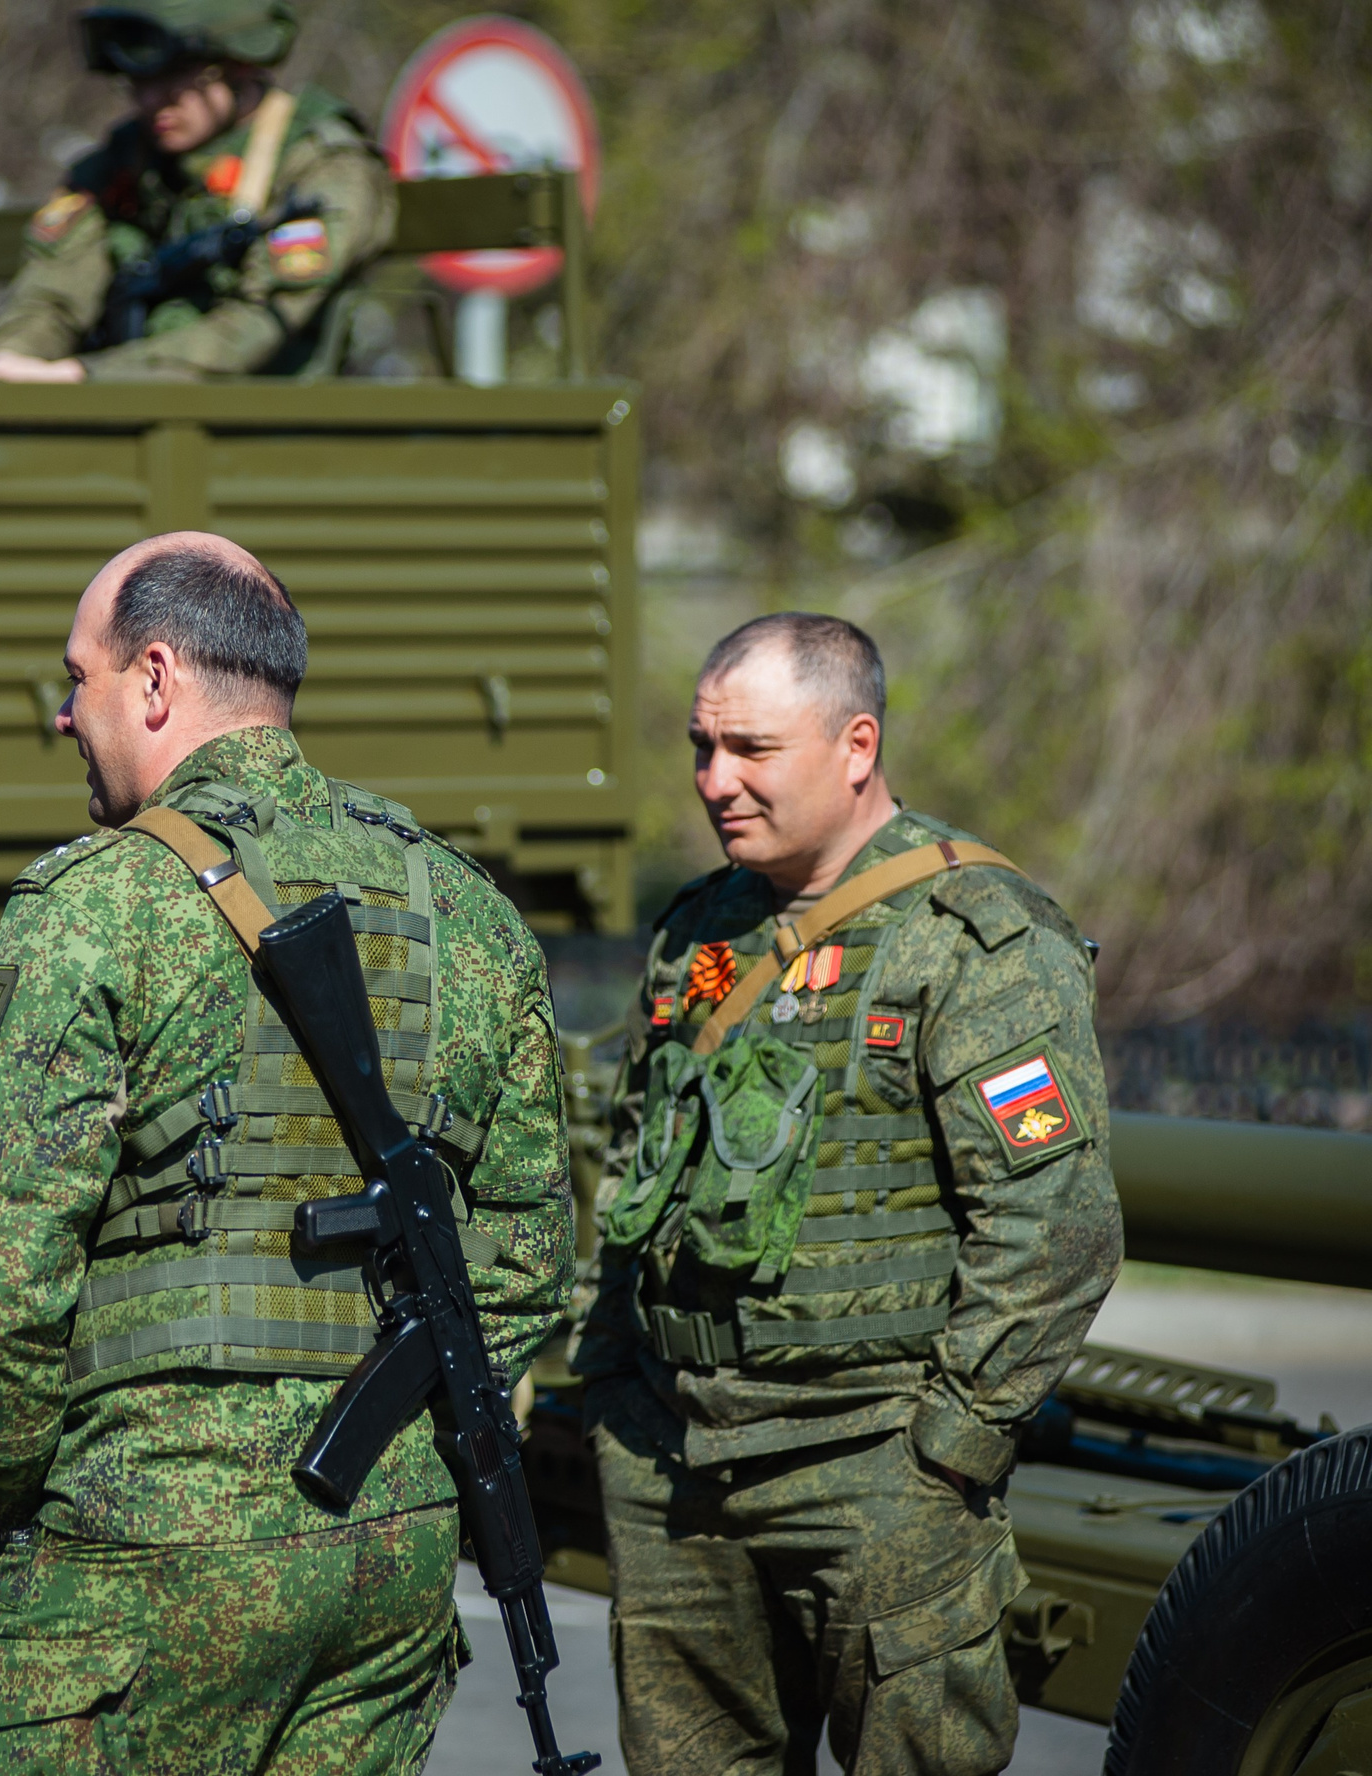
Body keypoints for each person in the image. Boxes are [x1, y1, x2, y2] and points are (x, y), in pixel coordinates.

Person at [0, 532, 575, 1771]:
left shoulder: (95, 904)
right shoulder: (468, 906)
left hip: (144, 1545)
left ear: (155, 679)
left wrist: (16, 1493)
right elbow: (529, 1251)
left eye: (79, 677)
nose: (64, 715)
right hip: (387, 1549)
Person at [573, 613, 1120, 1775]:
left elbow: (1054, 1225)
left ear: (856, 745)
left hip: (873, 1469)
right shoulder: (698, 930)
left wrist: (943, 1456)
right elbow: (639, 1166)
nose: (715, 782)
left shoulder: (971, 939)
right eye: (700, 748)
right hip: (680, 1468)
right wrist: (619, 1391)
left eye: (751, 751)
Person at [0, 1, 396, 383]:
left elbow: (257, 327)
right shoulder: (127, 160)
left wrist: (87, 377)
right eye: (137, 83)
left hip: (272, 422)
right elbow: (51, 295)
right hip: (131, 407)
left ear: (239, 68)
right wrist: (13, 360)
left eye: (176, 79)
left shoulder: (321, 163)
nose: (153, 102)